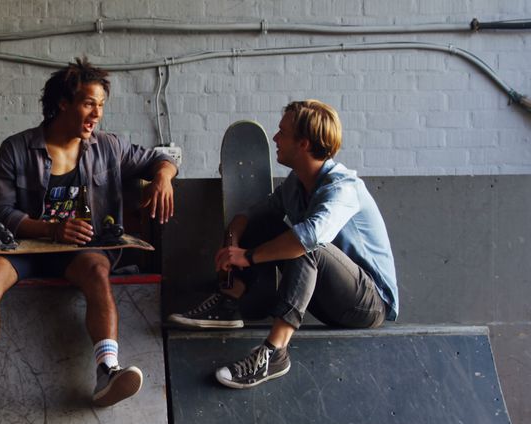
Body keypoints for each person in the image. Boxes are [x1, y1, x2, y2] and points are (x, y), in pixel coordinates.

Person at [0, 58, 179, 410]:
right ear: (63, 103)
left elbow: (161, 158)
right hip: (25, 250)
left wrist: (163, 176)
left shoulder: (108, 147)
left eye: (101, 105)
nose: (97, 114)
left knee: (98, 270)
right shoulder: (16, 148)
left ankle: (107, 371)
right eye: (89, 103)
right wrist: (51, 229)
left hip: (80, 254)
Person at [166, 100, 398, 389]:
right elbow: (252, 214)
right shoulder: (297, 183)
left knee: (308, 244)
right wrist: (234, 241)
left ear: (303, 143)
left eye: (282, 133)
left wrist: (248, 257)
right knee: (266, 225)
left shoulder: (343, 187)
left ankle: (275, 352)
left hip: (368, 305)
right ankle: (228, 304)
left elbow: (309, 237)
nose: (275, 139)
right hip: (324, 300)